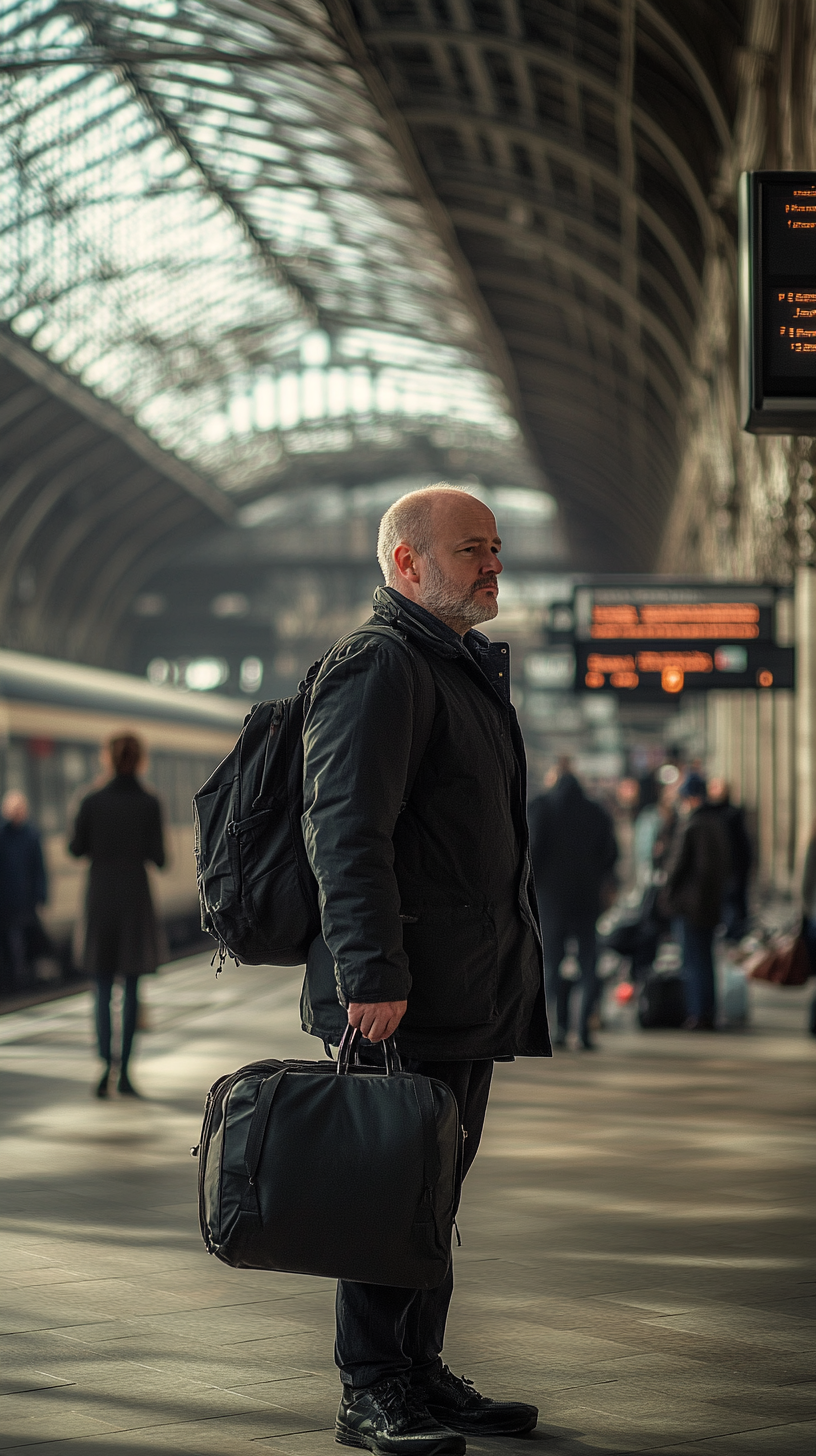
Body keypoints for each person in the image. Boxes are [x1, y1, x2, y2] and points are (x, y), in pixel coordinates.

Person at [300, 484, 549, 1455]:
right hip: (401, 989)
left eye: (495, 547)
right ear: (408, 563)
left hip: (458, 982)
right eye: (472, 548)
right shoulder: (383, 664)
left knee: (430, 1195)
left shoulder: (450, 665)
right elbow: (345, 830)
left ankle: (420, 1370)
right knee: (387, 1193)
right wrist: (369, 972)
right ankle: (371, 1389)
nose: (494, 565)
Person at [69, 734, 165, 1097]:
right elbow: (160, 857)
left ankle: (103, 1067)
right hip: (135, 901)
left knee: (102, 988)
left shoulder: (90, 799)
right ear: (140, 759)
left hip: (100, 899)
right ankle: (125, 1072)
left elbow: (76, 848)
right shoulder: (149, 801)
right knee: (132, 989)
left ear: (105, 758)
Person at [528, 759, 618, 1050]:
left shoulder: (541, 808)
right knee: (588, 962)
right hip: (587, 898)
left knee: (551, 964)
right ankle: (584, 1030)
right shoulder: (595, 811)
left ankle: (556, 1028)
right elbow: (610, 854)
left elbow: (532, 852)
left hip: (550, 899)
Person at [661, 772, 730, 1030]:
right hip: (710, 905)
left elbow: (678, 867)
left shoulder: (692, 825)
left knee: (693, 960)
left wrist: (668, 891)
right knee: (706, 959)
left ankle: (698, 1013)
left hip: (690, 907)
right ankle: (708, 1010)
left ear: (690, 798)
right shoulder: (717, 824)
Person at [0, 790, 48, 996]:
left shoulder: (31, 835)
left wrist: (41, 894)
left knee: (24, 941)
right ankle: (15, 980)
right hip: (6, 900)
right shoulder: (2, 835)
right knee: (12, 942)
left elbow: (39, 867)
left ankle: (22, 979)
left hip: (25, 900)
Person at [707, 777, 753, 942]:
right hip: (722, 867)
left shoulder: (731, 814)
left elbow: (740, 844)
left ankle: (735, 931)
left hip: (734, 866)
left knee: (733, 901)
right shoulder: (709, 814)